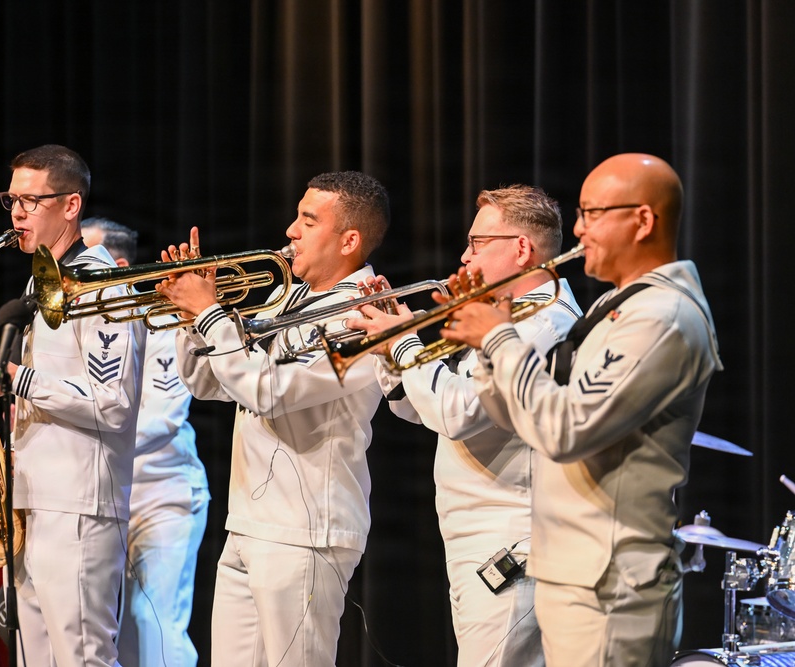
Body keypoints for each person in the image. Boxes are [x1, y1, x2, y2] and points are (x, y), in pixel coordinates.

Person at [445, 154, 723, 666]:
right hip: (575, 570)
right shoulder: (614, 306)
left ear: (642, 220)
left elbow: (565, 430)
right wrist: (487, 348)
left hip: (612, 583)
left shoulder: (662, 316)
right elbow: (526, 412)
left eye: (593, 214)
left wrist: (498, 337)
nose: (578, 229)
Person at [153, 171, 389, 667]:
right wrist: (189, 318)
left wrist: (212, 312)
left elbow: (269, 390)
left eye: (308, 220)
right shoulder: (289, 297)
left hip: (306, 530)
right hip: (250, 521)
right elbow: (211, 382)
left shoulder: (366, 313)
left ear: (350, 240)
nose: (290, 231)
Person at [345, 185, 581, 666]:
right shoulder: (509, 318)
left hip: (511, 537)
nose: (463, 255)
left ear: (521, 249)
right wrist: (393, 354)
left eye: (477, 243)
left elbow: (455, 415)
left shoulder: (541, 325)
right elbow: (425, 409)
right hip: (479, 536)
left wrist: (405, 342)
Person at [0, 145, 147, 667]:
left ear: (70, 206)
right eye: (12, 200)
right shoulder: (41, 278)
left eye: (31, 201)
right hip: (36, 502)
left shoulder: (104, 286)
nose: (17, 214)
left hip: (80, 507)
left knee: (81, 658)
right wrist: (0, 372)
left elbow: (113, 404)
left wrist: (14, 377)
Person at [81, 216, 210, 667]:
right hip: (102, 495)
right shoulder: (73, 330)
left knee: (150, 621)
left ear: (116, 266)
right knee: (101, 627)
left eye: (84, 264)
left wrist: (78, 437)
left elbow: (161, 419)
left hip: (164, 496)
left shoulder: (162, 323)